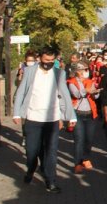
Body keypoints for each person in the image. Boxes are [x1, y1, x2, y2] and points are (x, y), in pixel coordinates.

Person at [12, 46, 77, 193]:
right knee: (31, 151)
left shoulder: (59, 73)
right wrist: (17, 113)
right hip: (33, 118)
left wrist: (71, 115)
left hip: (52, 120)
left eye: (52, 60)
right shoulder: (30, 71)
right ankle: (31, 168)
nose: (49, 63)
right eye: (46, 60)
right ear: (40, 58)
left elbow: (65, 94)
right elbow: (21, 92)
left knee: (51, 151)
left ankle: (50, 181)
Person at [67, 61, 100, 173]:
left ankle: (86, 159)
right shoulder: (72, 82)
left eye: (87, 69)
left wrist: (95, 92)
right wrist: (86, 90)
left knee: (89, 139)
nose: (86, 72)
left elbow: (96, 96)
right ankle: (77, 163)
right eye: (84, 70)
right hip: (78, 114)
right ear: (78, 71)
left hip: (90, 114)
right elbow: (76, 94)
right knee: (79, 139)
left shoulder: (90, 81)